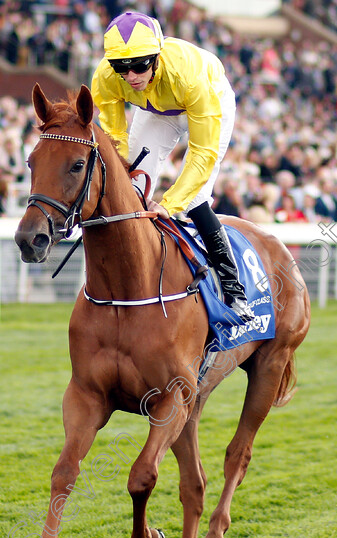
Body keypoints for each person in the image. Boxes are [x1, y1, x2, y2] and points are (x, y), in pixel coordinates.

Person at [91, 11, 253, 322]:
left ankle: (234, 289)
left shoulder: (187, 74)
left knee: (193, 198)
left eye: (139, 64)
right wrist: (129, 177)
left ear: (156, 55)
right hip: (155, 108)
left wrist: (169, 203)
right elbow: (116, 139)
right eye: (121, 68)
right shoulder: (105, 78)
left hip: (208, 100)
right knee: (132, 188)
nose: (132, 76)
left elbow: (202, 154)